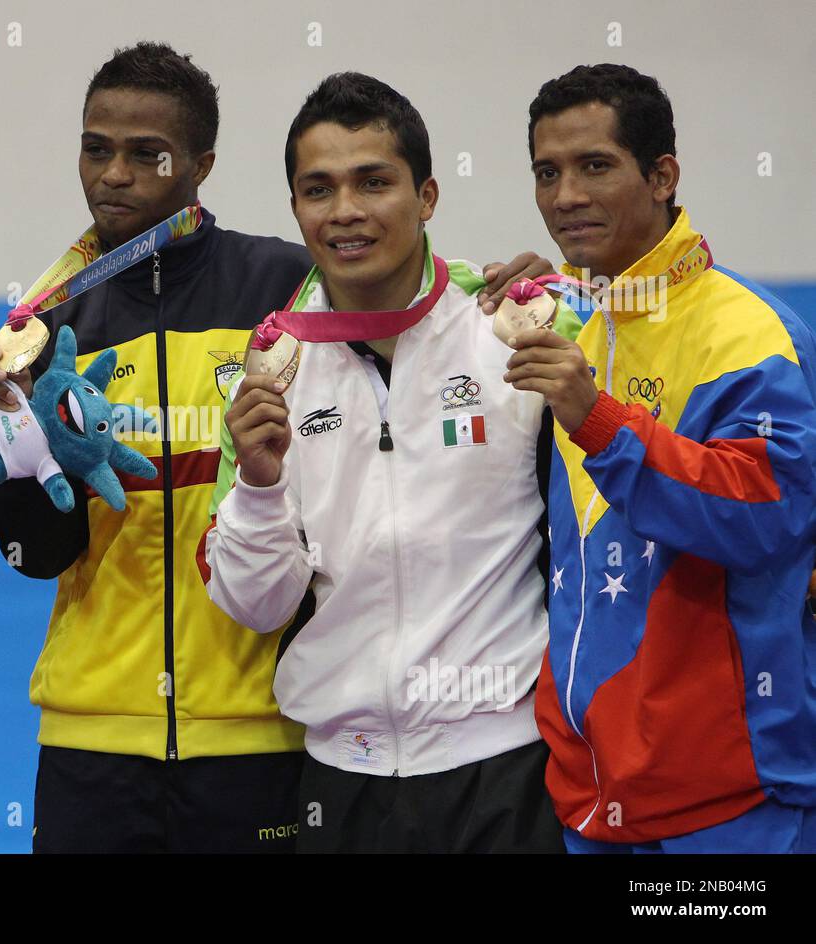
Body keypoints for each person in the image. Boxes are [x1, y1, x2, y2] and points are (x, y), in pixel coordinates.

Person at [0, 46, 548, 855]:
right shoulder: (50, 323)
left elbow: (406, 295)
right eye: (97, 149)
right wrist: (20, 441)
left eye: (148, 154)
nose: (115, 176)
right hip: (92, 734)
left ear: (200, 164)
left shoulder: (286, 294)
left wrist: (511, 282)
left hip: (261, 737)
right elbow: (37, 554)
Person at [202, 73, 568, 853]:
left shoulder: (515, 324)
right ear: (296, 207)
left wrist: (572, 280)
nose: (345, 212)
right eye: (318, 189)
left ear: (427, 195)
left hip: (503, 768)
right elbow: (257, 606)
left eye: (374, 182)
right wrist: (261, 488)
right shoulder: (272, 366)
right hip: (342, 779)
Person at [509, 63, 816, 852]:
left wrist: (599, 420)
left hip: (730, 796)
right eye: (548, 172)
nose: (565, 195)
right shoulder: (578, 319)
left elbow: (769, 520)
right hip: (590, 785)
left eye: (594, 166)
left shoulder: (748, 335)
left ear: (663, 175)